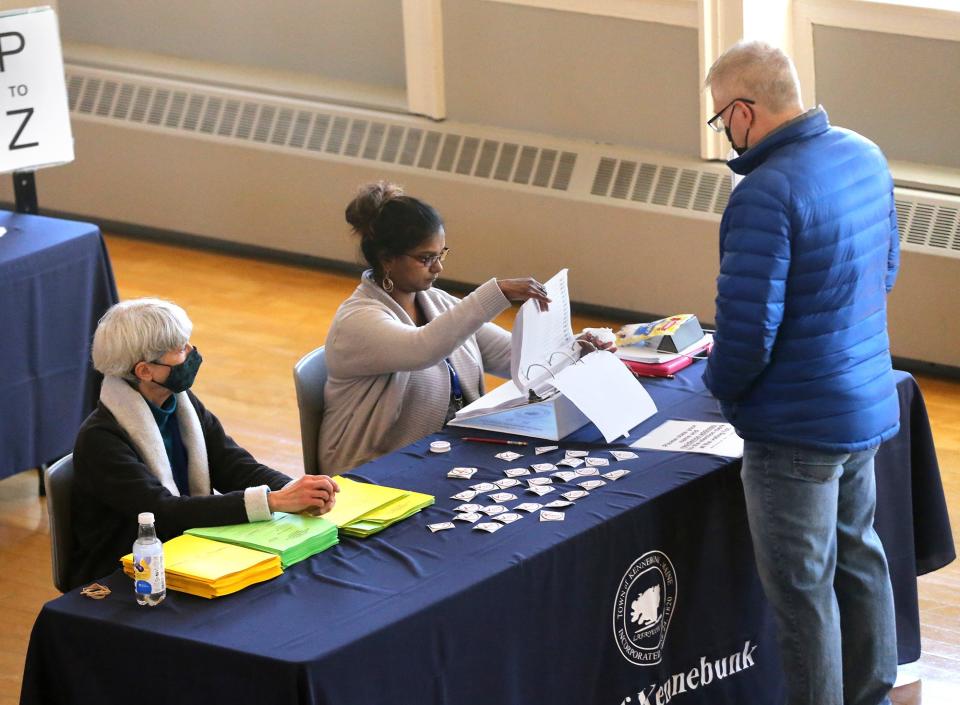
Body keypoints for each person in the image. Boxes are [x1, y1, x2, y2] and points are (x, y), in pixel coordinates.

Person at [701, 41, 901, 705]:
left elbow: (748, 333)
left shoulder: (765, 194)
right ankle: (873, 694)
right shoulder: (864, 154)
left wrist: (719, 386)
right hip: (863, 403)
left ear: (744, 110)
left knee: (803, 593)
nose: (724, 132)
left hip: (794, 432)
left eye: (719, 118)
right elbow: (887, 273)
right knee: (861, 558)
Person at [70, 298, 339, 589]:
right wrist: (272, 502)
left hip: (189, 550)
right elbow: (163, 512)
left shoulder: (179, 404)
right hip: (129, 572)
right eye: (180, 350)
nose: (191, 353)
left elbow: (233, 465)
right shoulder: (100, 440)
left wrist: (293, 491)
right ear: (145, 371)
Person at [319, 181, 565, 473]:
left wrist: (575, 348)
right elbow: (422, 349)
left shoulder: (438, 303)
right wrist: (494, 293)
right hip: (371, 472)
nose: (438, 268)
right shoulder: (357, 321)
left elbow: (517, 357)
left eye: (440, 254)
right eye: (426, 258)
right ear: (387, 259)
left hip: (441, 456)